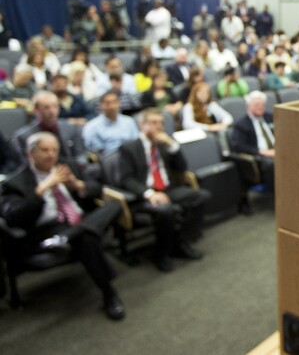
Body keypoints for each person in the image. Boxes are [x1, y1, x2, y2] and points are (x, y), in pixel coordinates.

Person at [0, 132, 125, 320]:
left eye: (54, 150)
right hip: (47, 228)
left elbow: (97, 188)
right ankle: (109, 294)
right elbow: (14, 218)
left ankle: (68, 237)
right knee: (87, 238)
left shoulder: (66, 166)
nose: (51, 155)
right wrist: (42, 189)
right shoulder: (14, 182)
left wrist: (77, 185)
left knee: (115, 204)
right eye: (45, 150)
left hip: (77, 221)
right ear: (31, 154)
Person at [118, 109, 209, 272]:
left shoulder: (163, 143)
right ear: (142, 126)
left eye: (161, 123)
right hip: (145, 195)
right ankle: (161, 254)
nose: (159, 127)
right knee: (167, 211)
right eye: (153, 123)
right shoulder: (129, 148)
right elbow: (126, 179)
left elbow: (182, 167)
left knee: (201, 197)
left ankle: (180, 242)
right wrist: (149, 194)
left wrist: (173, 146)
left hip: (167, 189)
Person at [13, 91, 88, 168]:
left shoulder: (71, 128)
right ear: (36, 110)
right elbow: (27, 165)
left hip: (71, 170)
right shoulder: (23, 136)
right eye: (46, 107)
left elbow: (80, 155)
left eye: (55, 106)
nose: (52, 111)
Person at [230, 91, 275, 212]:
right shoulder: (241, 124)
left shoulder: (270, 117)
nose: (261, 107)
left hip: (277, 150)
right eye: (257, 104)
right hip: (259, 157)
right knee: (272, 165)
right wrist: (262, 152)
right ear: (248, 106)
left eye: (262, 104)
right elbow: (238, 146)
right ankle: (279, 198)